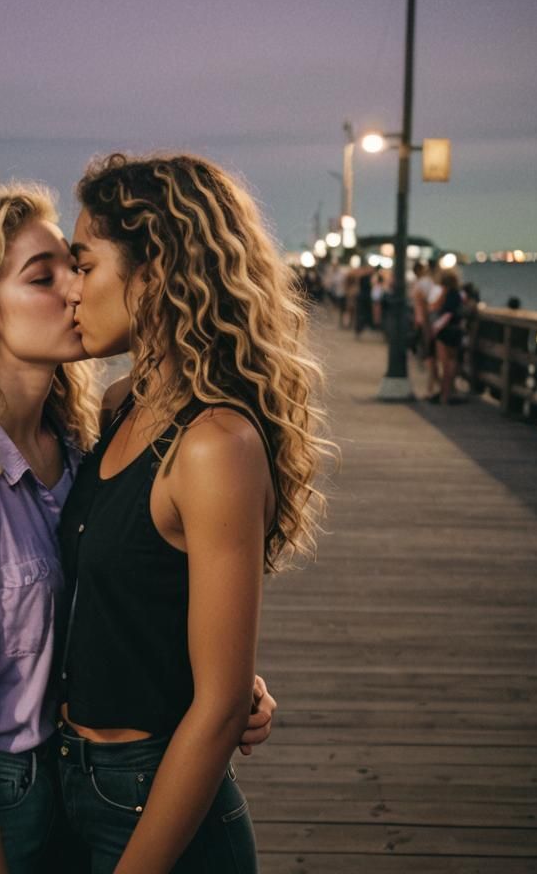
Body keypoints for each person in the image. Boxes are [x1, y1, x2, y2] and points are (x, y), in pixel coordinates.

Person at [0, 184, 275, 874]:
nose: (75, 290)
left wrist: (226, 685)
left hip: (62, 800)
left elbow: (116, 597)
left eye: (77, 268)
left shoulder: (76, 448)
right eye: (45, 277)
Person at [59, 153, 331, 873]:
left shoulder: (213, 445)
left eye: (84, 265)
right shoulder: (120, 408)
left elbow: (216, 712)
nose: (70, 290)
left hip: (157, 810)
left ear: (153, 275)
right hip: (68, 785)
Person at [429, 268, 465, 405]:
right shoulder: (456, 294)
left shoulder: (446, 294)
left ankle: (444, 394)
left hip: (444, 331)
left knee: (445, 364)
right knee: (451, 363)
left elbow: (445, 313)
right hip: (454, 331)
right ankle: (448, 393)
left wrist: (435, 328)